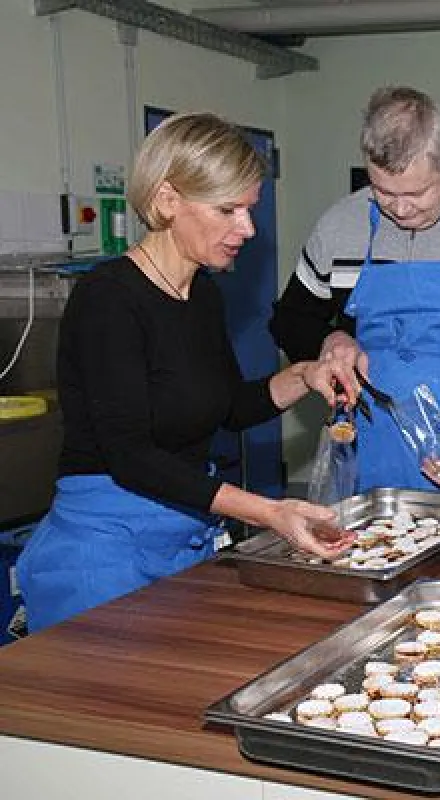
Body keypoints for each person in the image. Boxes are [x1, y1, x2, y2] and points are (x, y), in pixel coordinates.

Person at [16, 112, 358, 633]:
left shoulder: (203, 296)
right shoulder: (108, 298)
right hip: (104, 554)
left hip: (180, 540)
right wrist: (268, 512)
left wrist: (305, 375)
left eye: (250, 210)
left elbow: (231, 407)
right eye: (228, 210)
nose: (247, 229)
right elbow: (130, 456)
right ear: (168, 199)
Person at [269, 86, 440, 499]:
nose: (401, 210)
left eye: (417, 193)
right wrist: (330, 340)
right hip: (364, 460)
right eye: (383, 192)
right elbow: (289, 320)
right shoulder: (339, 226)